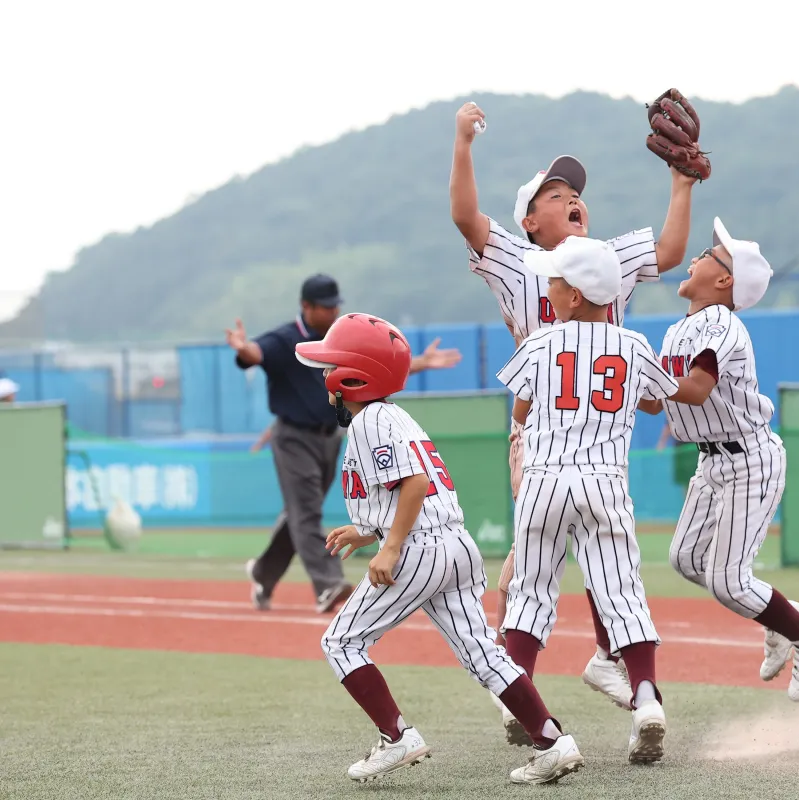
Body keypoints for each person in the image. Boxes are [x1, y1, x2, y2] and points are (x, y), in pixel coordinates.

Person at [449, 100, 696, 713]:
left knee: (578, 547)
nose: (572, 198)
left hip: (599, 425)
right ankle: (532, 674)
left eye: (575, 193)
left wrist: (680, 183)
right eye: (556, 195)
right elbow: (465, 216)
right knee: (552, 555)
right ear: (530, 220)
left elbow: (668, 251)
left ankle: (583, 662)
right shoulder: (517, 261)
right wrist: (463, 144)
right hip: (541, 426)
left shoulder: (604, 257)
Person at [297, 312, 583, 786]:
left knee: (341, 642)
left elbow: (413, 483)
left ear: (353, 377)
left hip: (419, 549)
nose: (325, 377)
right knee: (484, 655)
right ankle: (553, 742)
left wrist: (389, 547)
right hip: (454, 545)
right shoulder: (393, 415)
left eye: (331, 366)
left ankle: (397, 738)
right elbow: (406, 493)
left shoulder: (370, 421)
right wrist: (367, 532)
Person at [642, 217, 799, 702]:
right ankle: (783, 617)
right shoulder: (679, 330)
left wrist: (639, 373)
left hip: (749, 459)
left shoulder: (723, 325)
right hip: (711, 461)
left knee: (728, 582)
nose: (696, 256)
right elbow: (655, 402)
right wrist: (619, 381)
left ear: (724, 280)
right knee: (685, 559)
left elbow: (695, 389)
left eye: (708, 254)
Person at [496, 236, 678, 763]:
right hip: (604, 480)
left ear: (575, 295)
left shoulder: (539, 343)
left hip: (545, 479)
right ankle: (646, 699)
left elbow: (522, 411)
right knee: (621, 591)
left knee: (531, 592)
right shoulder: (633, 344)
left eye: (554, 282)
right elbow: (655, 401)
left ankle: (518, 697)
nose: (548, 289)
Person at [225, 274, 462, 613]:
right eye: (326, 306)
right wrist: (242, 348)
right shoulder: (285, 338)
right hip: (293, 437)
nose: (333, 310)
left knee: (300, 512)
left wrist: (421, 363)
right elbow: (255, 353)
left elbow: (371, 368)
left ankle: (263, 572)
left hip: (330, 435)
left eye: (336, 304)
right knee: (306, 512)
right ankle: (328, 583)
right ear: (306, 306)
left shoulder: (339, 336)